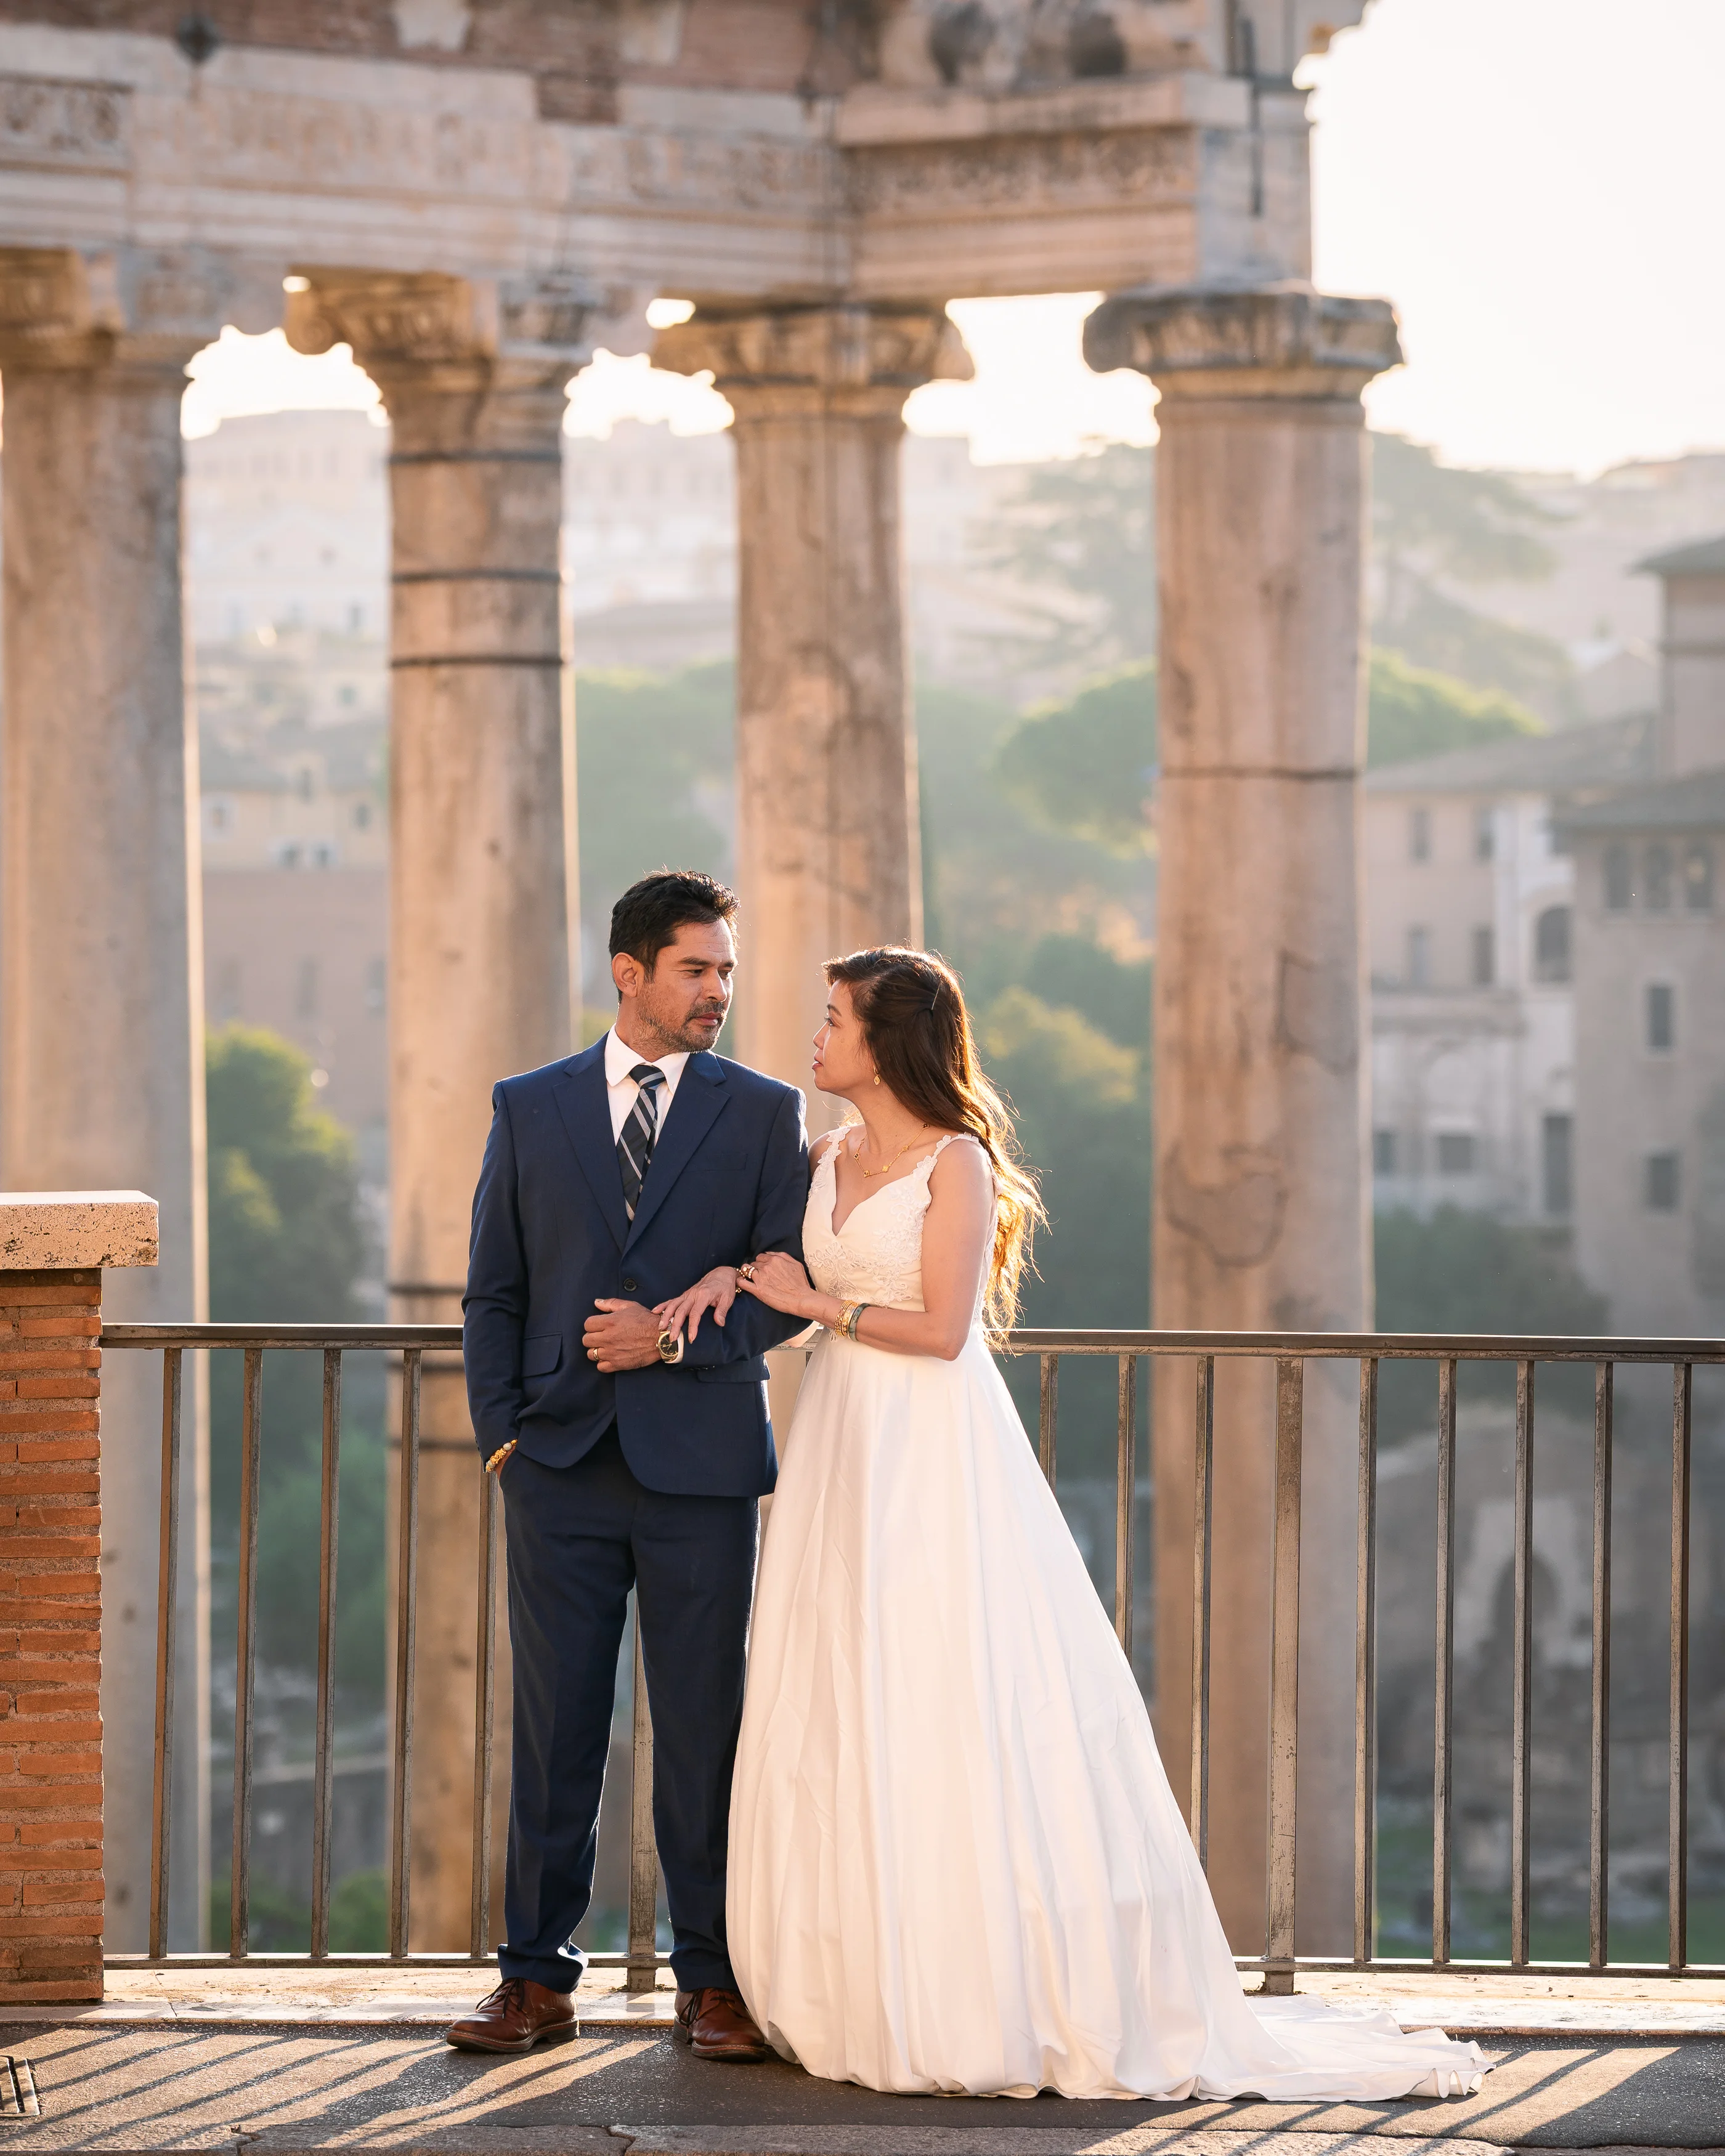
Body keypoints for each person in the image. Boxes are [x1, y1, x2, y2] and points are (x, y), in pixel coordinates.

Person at [657, 945, 1487, 2101]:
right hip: (839, 1442)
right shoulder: (826, 1154)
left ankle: (979, 1987)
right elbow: (783, 1289)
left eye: (835, 1019)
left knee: (951, 1686)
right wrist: (736, 1293)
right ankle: (850, 1976)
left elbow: (945, 1331)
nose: (816, 1037)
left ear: (887, 1041)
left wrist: (816, 1300)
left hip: (931, 1448)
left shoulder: (958, 1165)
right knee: (842, 1684)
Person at [448, 871, 806, 2062]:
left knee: (705, 1728)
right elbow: (493, 1289)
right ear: (630, 971)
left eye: (727, 972)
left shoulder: (761, 1112)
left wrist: (668, 1335)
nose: (719, 992)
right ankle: (537, 1979)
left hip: (701, 1464)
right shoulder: (532, 1105)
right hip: (557, 1462)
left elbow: (787, 1290)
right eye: (697, 970)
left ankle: (711, 1980)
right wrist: (503, 1433)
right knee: (555, 1728)